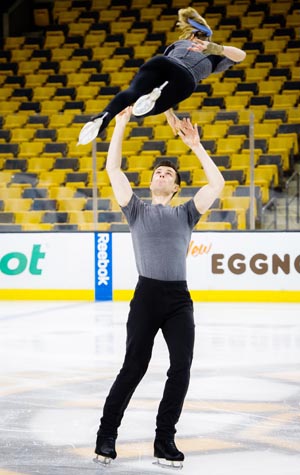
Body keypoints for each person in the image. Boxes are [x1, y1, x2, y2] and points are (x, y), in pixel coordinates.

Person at [94, 106, 225, 468]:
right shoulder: (135, 210)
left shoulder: (186, 212)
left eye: (168, 172)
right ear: (152, 183)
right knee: (133, 367)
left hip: (178, 299)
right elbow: (113, 169)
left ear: (176, 186)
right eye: (158, 171)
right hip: (147, 296)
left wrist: (196, 146)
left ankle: (164, 439)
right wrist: (121, 125)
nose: (162, 173)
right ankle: (106, 435)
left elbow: (216, 185)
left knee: (181, 366)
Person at [78, 7, 246, 144]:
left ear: (192, 34)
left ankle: (103, 117)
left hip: (161, 63)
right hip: (186, 78)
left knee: (132, 93)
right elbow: (241, 56)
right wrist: (215, 48)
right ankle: (151, 100)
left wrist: (170, 115)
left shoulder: (177, 44)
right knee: (142, 111)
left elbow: (165, 71)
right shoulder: (215, 58)